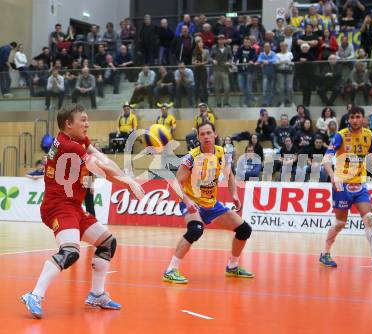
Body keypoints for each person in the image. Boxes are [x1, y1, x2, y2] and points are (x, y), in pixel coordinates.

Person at [20, 104, 145, 319]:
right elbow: (104, 170)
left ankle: (97, 294)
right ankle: (34, 295)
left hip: (73, 206)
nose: (88, 124)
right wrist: (129, 183)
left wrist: (127, 179)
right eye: (83, 120)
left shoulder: (75, 141)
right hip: (58, 207)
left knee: (107, 243)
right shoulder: (70, 146)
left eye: (88, 120)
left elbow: (100, 157)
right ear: (69, 124)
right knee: (70, 252)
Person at [162, 122, 254, 284]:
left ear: (215, 135)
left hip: (211, 204)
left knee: (244, 230)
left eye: (208, 133)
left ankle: (232, 266)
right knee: (196, 229)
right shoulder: (191, 158)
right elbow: (176, 184)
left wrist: (234, 194)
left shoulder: (222, 153)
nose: (206, 136)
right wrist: (187, 200)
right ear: (198, 137)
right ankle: (170, 270)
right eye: (202, 134)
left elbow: (230, 176)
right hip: (191, 201)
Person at [319, 106, 372, 270]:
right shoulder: (340, 136)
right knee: (340, 223)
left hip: (359, 185)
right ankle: (325, 253)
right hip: (342, 186)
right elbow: (326, 159)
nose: (355, 120)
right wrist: (333, 176)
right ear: (349, 119)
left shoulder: (369, 135)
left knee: (369, 217)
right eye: (352, 117)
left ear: (363, 118)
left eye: (358, 117)